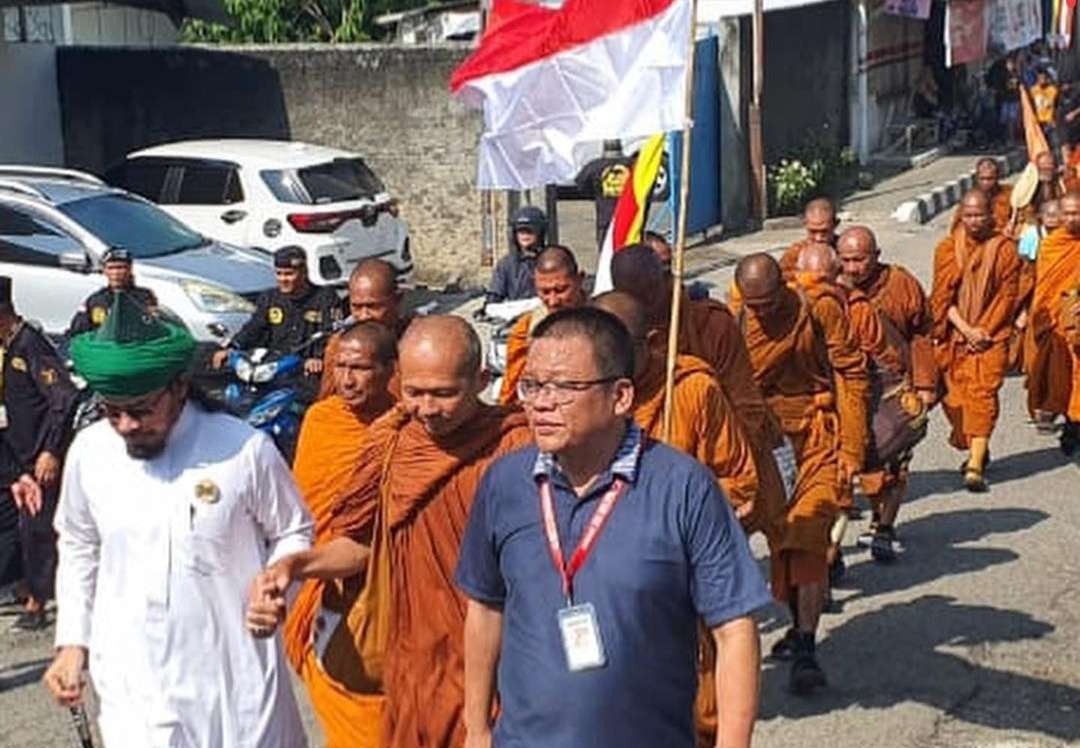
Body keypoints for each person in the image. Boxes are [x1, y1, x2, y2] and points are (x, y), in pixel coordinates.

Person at [455, 307, 770, 748]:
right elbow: (486, 608)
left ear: (621, 396)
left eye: (564, 387)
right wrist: (477, 728)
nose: (541, 403)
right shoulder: (505, 483)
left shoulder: (682, 486)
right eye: (532, 385)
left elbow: (734, 627)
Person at [246, 316, 532, 748]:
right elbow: (363, 547)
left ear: (482, 379)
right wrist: (297, 564)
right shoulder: (392, 444)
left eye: (444, 394)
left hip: (501, 656)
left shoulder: (516, 446)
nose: (427, 409)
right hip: (414, 658)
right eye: (415, 393)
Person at [44, 292, 313, 745]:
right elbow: (77, 543)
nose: (127, 425)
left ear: (179, 388)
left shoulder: (243, 449)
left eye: (142, 410)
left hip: (235, 681)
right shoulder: (91, 453)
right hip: (134, 683)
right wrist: (73, 640)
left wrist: (281, 582)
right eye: (114, 412)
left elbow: (293, 530)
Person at [591, 290, 765, 747]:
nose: (604, 357)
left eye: (617, 344)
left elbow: (740, 479)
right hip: (603, 586)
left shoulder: (690, 388)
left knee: (696, 712)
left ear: (650, 340)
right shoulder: (585, 401)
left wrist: (672, 510)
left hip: (679, 583)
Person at [735, 252, 869, 694]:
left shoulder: (818, 308)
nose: (763, 313)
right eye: (755, 306)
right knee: (782, 538)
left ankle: (808, 647)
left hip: (816, 433)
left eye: (769, 302)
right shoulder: (734, 317)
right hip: (765, 441)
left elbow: (851, 373)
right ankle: (797, 623)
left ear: (784, 286)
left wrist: (852, 446)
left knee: (808, 535)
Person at [612, 244, 790, 549]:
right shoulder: (609, 338)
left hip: (704, 474)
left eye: (649, 292)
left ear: (665, 279)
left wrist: (731, 470)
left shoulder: (708, 327)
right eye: (633, 295)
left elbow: (743, 400)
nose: (644, 303)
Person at [283, 321, 397, 746]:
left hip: (387, 585)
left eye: (360, 368)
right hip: (324, 585)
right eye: (340, 366)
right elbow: (306, 507)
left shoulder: (406, 426)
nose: (346, 379)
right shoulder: (320, 420)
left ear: (390, 370)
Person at [833, 230, 936, 560]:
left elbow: (921, 333)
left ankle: (884, 526)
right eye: (846, 260)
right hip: (848, 392)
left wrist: (925, 384)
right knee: (844, 465)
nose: (852, 268)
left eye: (859, 259)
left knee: (894, 463)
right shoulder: (831, 291)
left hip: (893, 388)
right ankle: (831, 548)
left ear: (876, 255)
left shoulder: (899, 284)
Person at [930, 190, 1022, 492]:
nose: (973, 221)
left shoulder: (1005, 249)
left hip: (991, 337)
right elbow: (942, 298)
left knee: (982, 396)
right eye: (968, 215)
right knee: (954, 400)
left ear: (990, 215)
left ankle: (974, 465)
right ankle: (976, 445)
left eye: (979, 215)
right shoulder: (946, 250)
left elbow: (1007, 296)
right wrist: (967, 329)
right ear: (960, 215)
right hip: (955, 335)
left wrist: (984, 330)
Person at [0, 276, 78, 629]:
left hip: (39, 454)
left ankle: (38, 601)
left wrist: (50, 450)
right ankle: (18, 582)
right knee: (11, 523)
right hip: (15, 453)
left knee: (38, 529)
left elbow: (63, 398)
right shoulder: (8, 347)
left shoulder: (30, 345)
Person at [211, 245, 341, 376]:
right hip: (272, 367)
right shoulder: (269, 298)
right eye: (279, 273)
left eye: (289, 274)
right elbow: (253, 328)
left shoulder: (325, 297)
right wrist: (232, 348)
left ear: (304, 272)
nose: (283, 279)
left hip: (307, 369)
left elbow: (332, 334)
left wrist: (318, 357)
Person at [1023, 191, 1080, 443]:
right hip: (1059, 326)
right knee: (1064, 377)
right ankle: (1071, 423)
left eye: (1076, 212)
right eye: (1066, 213)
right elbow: (1045, 289)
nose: (1071, 218)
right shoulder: (1052, 245)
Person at [499, 245, 586, 405]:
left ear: (580, 279)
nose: (552, 301)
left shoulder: (603, 320)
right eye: (544, 292)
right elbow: (510, 394)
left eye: (561, 290)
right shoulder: (526, 329)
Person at [317, 258, 405, 400]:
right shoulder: (340, 346)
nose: (364, 316)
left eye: (373, 307)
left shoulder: (415, 344)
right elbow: (328, 402)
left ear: (398, 300)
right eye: (356, 307)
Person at [66, 248, 157, 337]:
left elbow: (152, 326)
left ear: (130, 269)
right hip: (103, 347)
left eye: (121, 267)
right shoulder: (96, 300)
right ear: (105, 271)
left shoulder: (144, 297)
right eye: (111, 268)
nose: (116, 273)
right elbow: (77, 331)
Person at [575, 139, 633, 246]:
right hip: (630, 217)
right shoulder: (633, 164)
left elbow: (580, 184)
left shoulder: (595, 166)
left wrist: (596, 194)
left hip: (605, 218)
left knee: (605, 254)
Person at [487, 206, 547, 303]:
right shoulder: (506, 264)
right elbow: (496, 292)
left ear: (540, 233)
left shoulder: (550, 260)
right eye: (520, 231)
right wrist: (489, 304)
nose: (525, 235)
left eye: (529, 231)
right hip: (517, 313)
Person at [950, 158, 1014, 235]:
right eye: (982, 179)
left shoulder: (1010, 195)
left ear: (998, 177)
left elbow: (1023, 219)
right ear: (977, 178)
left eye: (990, 179)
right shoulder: (971, 200)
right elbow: (957, 228)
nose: (986, 183)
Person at [1031, 68, 1060, 153]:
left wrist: (1055, 118)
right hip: (1039, 121)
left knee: (1055, 144)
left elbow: (1057, 105)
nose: (1042, 80)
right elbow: (1031, 106)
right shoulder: (1033, 90)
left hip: (1050, 121)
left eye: (1044, 78)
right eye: (1040, 78)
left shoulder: (1053, 90)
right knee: (1043, 145)